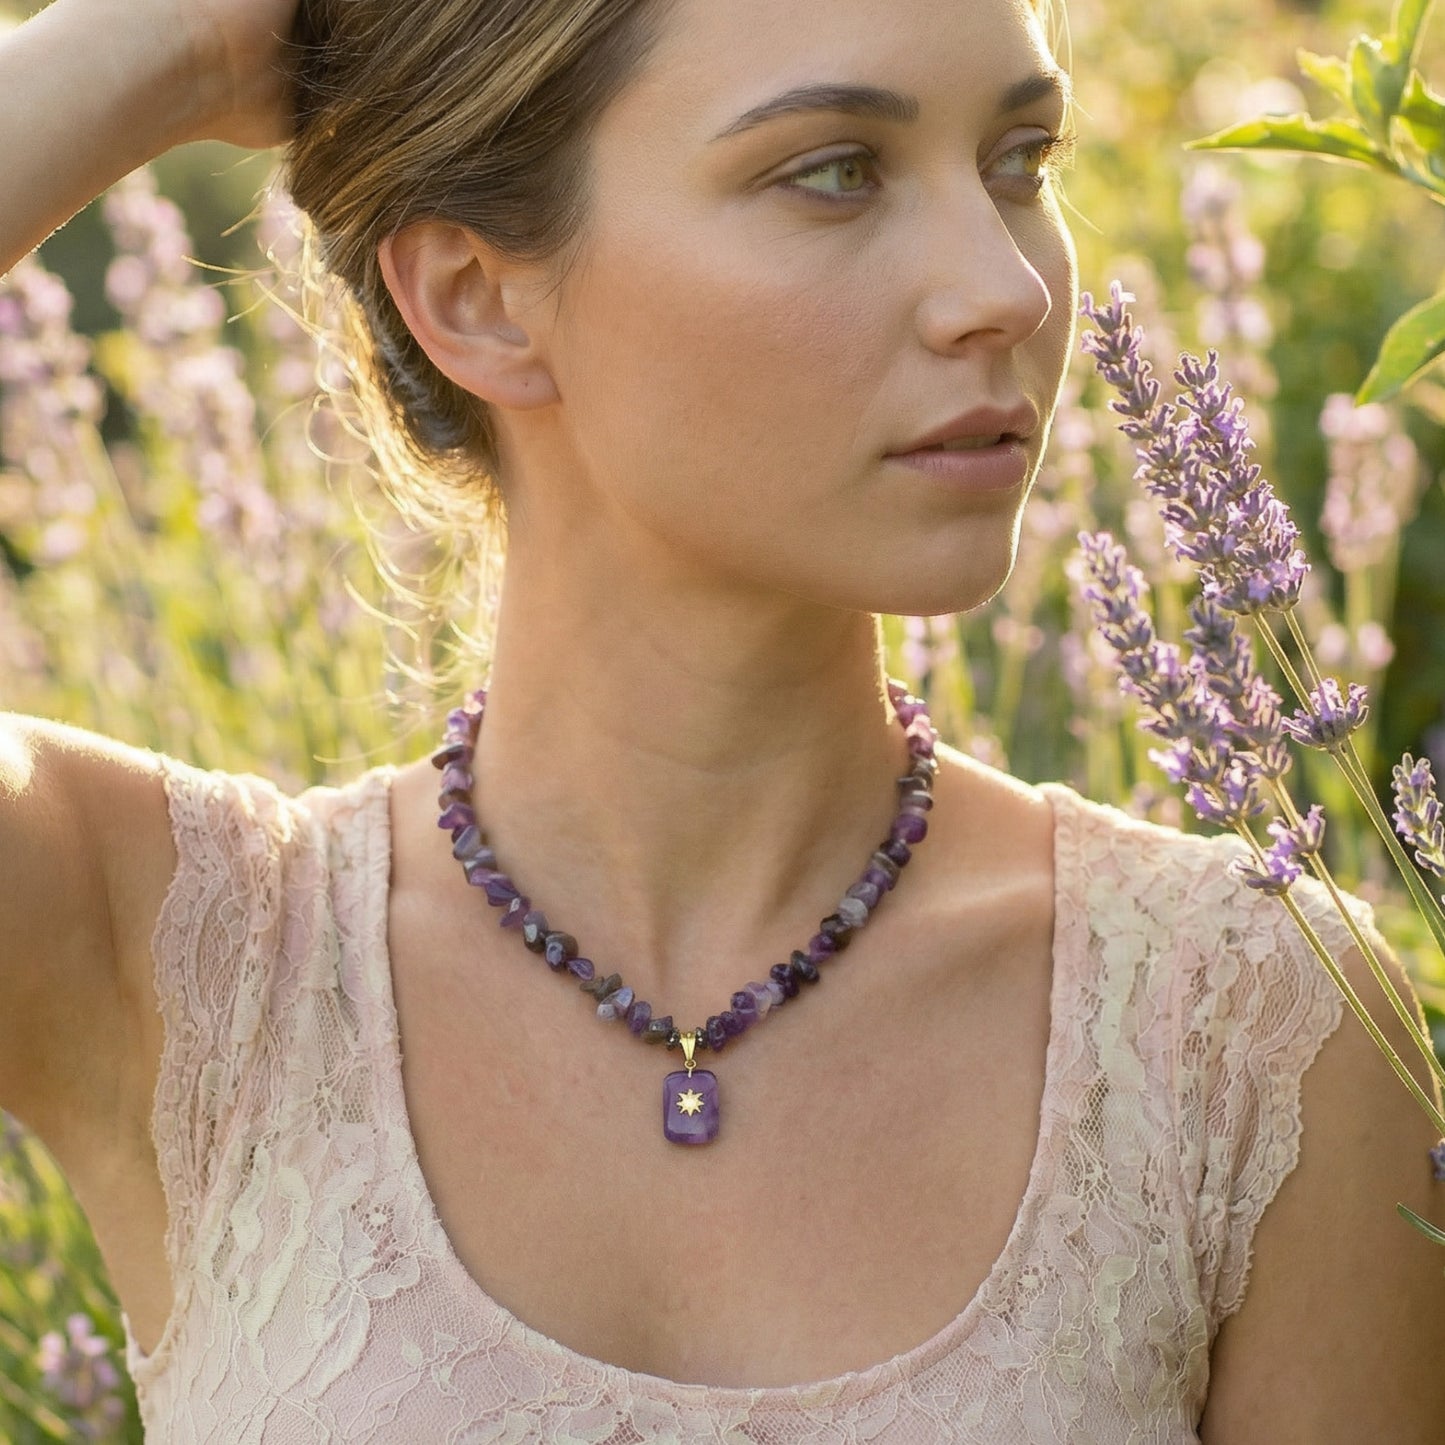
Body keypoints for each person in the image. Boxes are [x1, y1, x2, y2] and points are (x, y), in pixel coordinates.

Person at [1, 0, 1443, 1439]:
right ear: (476, 296)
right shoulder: (175, 952)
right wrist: (183, 40)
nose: (1004, 289)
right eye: (835, 172)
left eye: (1020, 160)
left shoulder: (1249, 1030)